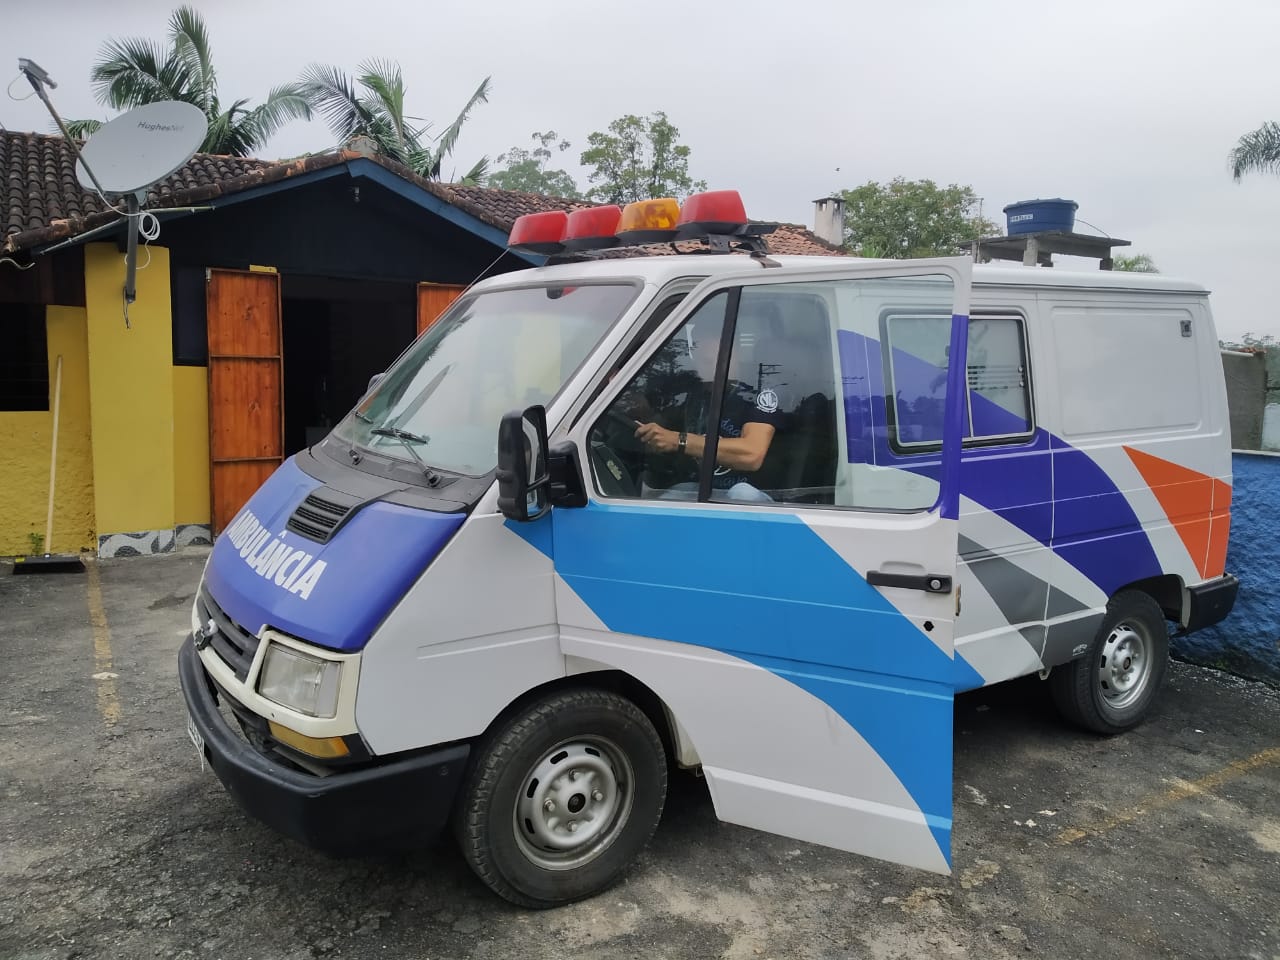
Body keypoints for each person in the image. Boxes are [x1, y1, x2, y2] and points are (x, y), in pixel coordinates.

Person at [632, 321, 783, 502]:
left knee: (742, 493)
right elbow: (665, 425)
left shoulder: (760, 392)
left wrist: (679, 440)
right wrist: (647, 423)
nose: (709, 368)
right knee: (669, 497)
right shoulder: (697, 393)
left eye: (716, 359)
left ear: (736, 353)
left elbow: (752, 454)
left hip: (757, 496)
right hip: (704, 489)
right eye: (703, 361)